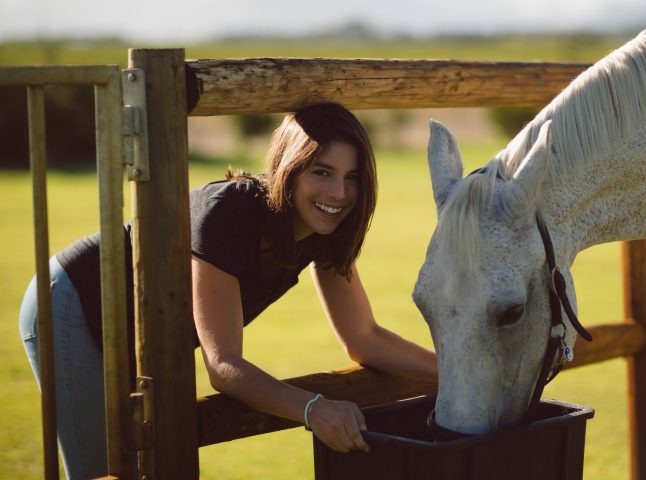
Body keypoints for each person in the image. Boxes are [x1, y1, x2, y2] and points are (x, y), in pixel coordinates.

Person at [19, 102, 437, 479]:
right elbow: (224, 366)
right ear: (288, 169)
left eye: (353, 177)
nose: (339, 193)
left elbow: (363, 337)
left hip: (143, 332)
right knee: (110, 472)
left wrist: (453, 370)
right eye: (322, 172)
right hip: (72, 303)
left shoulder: (325, 232)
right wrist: (314, 408)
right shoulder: (228, 213)